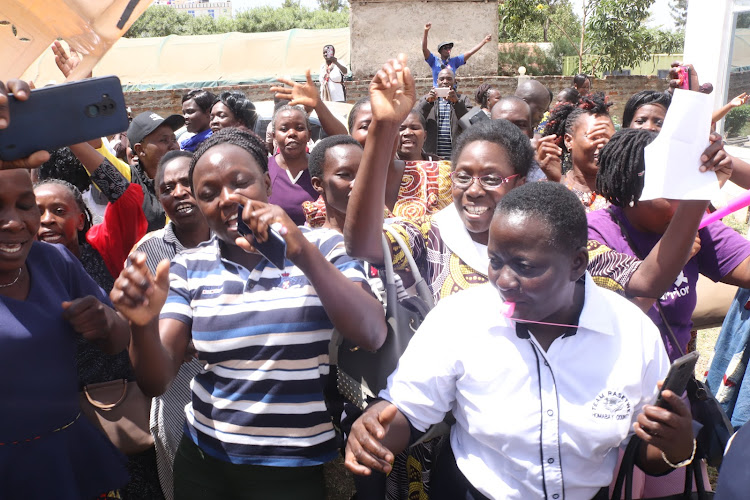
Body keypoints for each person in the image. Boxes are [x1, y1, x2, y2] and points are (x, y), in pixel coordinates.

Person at [344, 181, 695, 500]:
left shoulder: (633, 333)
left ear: (577, 264)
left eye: (525, 266)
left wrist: (675, 447)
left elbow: (649, 455)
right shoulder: (459, 319)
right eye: (495, 261)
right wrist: (374, 431)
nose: (504, 281)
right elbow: (408, 409)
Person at [110, 128, 386, 499]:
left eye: (241, 183)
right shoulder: (188, 266)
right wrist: (140, 326)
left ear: (268, 184)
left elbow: (371, 332)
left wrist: (302, 253)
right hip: (206, 460)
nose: (227, 200)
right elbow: (156, 381)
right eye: (208, 194)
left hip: (295, 466)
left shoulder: (324, 246)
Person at [0, 77, 130, 499]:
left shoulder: (53, 261)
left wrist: (105, 321)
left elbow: (119, 339)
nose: (15, 222)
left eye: (24, 206)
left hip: (66, 457)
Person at [588, 128, 750, 360]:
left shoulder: (693, 226)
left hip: (673, 387)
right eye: (673, 190)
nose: (686, 204)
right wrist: (674, 257)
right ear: (633, 187)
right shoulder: (593, 232)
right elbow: (613, 323)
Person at [128, 150, 210, 500]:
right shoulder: (147, 253)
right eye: (167, 187)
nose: (178, 192)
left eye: (186, 183)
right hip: (178, 399)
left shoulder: (244, 242)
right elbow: (133, 325)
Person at [540, 92, 614, 212]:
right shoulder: (546, 188)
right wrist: (554, 183)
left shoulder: (623, 193)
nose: (602, 144)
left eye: (608, 138)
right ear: (569, 141)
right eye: (594, 137)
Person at [266, 105, 319, 225]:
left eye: (299, 128)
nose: (292, 133)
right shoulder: (263, 169)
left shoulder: (322, 168)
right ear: (274, 136)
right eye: (284, 129)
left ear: (309, 134)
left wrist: (318, 104)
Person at [491, 96, 552, 183]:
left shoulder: (543, 175)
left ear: (531, 132)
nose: (511, 132)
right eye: (502, 125)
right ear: (490, 129)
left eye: (520, 125)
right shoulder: (474, 170)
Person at [417, 67, 471, 159]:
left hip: (455, 157)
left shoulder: (463, 99)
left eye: (449, 79)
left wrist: (456, 103)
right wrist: (428, 103)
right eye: (442, 79)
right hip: (432, 156)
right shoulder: (427, 99)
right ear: (437, 81)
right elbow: (417, 119)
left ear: (454, 81)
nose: (445, 82)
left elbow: (469, 123)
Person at [421, 23, 492, 86]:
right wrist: (426, 31)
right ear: (440, 51)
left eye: (449, 47)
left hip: (451, 93)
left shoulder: (455, 61)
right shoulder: (433, 60)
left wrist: (484, 41)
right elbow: (424, 49)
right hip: (437, 93)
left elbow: (470, 52)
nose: (448, 49)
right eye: (445, 48)